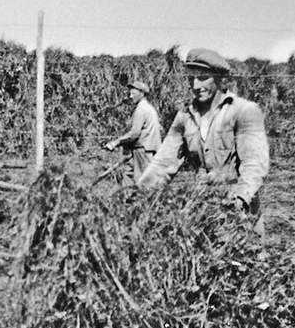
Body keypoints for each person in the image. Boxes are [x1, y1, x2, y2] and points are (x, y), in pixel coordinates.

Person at [137, 48, 269, 232]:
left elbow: (254, 162)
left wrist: (239, 198)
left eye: (203, 78)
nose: (196, 85)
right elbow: (162, 163)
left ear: (218, 77)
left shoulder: (243, 111)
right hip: (204, 209)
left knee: (245, 258)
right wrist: (138, 196)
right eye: (191, 79)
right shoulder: (184, 117)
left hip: (241, 212)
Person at [104, 79, 163, 183]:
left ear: (142, 93)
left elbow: (134, 134)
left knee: (144, 182)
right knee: (128, 175)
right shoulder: (150, 109)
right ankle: (127, 197)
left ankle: (141, 198)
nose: (130, 97)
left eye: (133, 94)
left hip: (143, 150)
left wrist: (116, 142)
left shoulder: (141, 110)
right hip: (149, 149)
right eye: (130, 94)